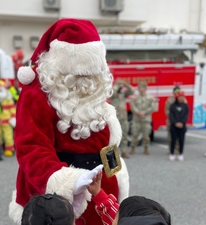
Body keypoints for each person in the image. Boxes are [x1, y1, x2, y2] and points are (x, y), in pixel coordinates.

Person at [9, 18, 129, 225]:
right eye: (77, 73)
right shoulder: (37, 93)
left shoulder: (94, 84)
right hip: (61, 194)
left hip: (103, 186)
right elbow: (31, 148)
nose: (86, 79)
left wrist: (116, 176)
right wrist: (67, 183)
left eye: (91, 71)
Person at [110, 79, 134, 158]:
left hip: (123, 117)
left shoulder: (123, 94)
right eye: (118, 84)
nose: (120, 86)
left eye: (121, 84)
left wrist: (126, 84)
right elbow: (112, 92)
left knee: (124, 134)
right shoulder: (113, 94)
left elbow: (132, 91)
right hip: (115, 118)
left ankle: (124, 151)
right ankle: (114, 153)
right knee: (113, 136)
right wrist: (117, 85)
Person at [129, 82, 155, 155]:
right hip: (136, 120)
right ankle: (133, 148)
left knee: (146, 135)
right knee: (134, 134)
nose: (139, 89)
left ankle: (146, 148)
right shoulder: (135, 98)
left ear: (145, 88)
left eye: (141, 87)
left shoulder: (150, 98)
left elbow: (153, 107)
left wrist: (145, 112)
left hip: (146, 120)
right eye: (139, 88)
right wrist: (138, 112)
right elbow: (132, 106)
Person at [0, 80, 16, 157]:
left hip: (7, 121)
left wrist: (13, 118)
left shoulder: (8, 99)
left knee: (8, 136)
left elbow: (12, 109)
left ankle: (9, 149)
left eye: (0, 90)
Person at [165, 86, 187, 154]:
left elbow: (185, 110)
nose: (177, 92)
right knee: (170, 136)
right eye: (176, 91)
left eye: (179, 91)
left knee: (179, 137)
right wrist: (173, 119)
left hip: (180, 121)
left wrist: (180, 121)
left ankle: (178, 149)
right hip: (171, 121)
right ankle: (171, 149)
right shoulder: (169, 100)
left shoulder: (183, 100)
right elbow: (167, 110)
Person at [168, 91, 189, 161]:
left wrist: (182, 123)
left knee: (181, 140)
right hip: (174, 126)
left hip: (182, 126)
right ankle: (171, 153)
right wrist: (175, 123)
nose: (181, 98)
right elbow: (171, 116)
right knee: (173, 140)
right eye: (180, 97)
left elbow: (186, 116)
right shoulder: (172, 106)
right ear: (177, 97)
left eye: (182, 97)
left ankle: (181, 154)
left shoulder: (185, 106)